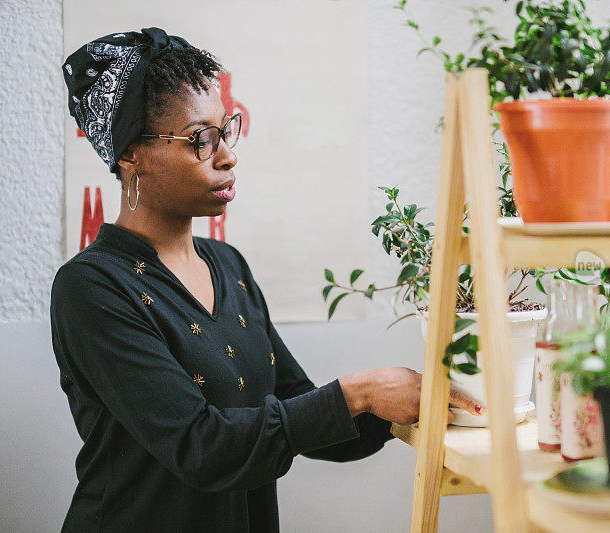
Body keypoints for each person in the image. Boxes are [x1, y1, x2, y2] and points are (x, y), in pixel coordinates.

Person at [52, 28, 481, 532]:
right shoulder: (92, 288)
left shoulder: (228, 266)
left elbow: (301, 414)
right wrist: (360, 392)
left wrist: (402, 404)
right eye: (199, 140)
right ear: (131, 155)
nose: (227, 155)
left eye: (224, 131)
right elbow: (201, 446)